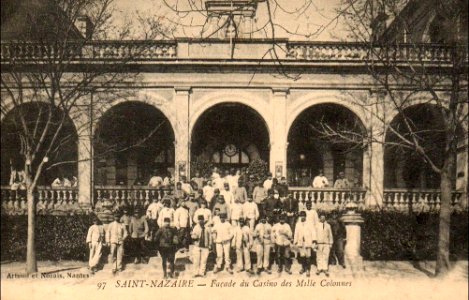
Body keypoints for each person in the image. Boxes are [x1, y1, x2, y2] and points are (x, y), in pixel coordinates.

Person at [294, 211, 317, 277]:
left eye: (304, 215)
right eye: (301, 215)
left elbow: (313, 231)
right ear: (300, 216)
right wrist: (295, 240)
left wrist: (314, 239)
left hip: (308, 241)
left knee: (308, 256)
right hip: (301, 242)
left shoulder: (309, 223)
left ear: (305, 216)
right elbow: (296, 233)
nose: (302, 217)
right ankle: (303, 268)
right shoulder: (298, 224)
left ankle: (308, 270)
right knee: (302, 256)